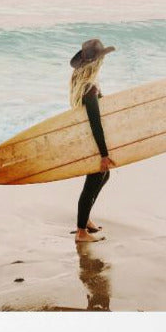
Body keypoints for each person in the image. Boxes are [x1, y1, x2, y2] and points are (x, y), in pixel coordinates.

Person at [69, 38, 117, 243]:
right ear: (96, 62)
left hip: (86, 139)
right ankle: (81, 231)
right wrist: (104, 154)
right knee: (94, 181)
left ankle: (85, 220)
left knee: (102, 177)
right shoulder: (89, 89)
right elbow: (95, 123)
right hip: (92, 141)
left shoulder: (78, 83)